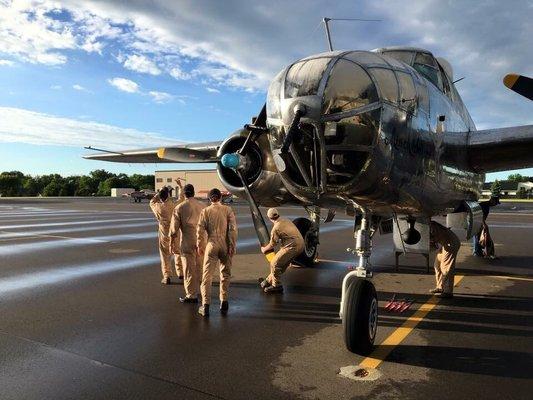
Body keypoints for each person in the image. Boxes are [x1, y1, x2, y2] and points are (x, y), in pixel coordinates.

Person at [196, 188, 238, 317]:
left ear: (209, 198)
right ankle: (224, 301)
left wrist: (199, 245)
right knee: (225, 273)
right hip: (225, 244)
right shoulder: (227, 210)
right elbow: (233, 229)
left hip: (211, 244)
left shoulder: (205, 211)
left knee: (207, 276)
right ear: (220, 198)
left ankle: (206, 305)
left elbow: (200, 230)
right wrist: (232, 245)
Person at [170, 184, 205, 303]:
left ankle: (191, 294)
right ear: (194, 193)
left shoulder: (179, 207)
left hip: (187, 240)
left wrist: (171, 243)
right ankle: (202, 290)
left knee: (189, 269)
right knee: (200, 266)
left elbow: (174, 230)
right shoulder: (202, 206)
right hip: (201, 239)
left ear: (184, 194)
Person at [259, 208, 304, 294]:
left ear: (269, 218)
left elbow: (273, 244)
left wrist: (264, 249)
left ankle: (277, 286)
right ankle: (268, 281)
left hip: (291, 247)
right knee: (281, 265)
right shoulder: (285, 219)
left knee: (274, 264)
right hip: (301, 245)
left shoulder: (276, 228)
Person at [149, 183, 184, 285]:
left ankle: (167, 275)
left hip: (164, 233)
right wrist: (181, 187)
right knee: (178, 252)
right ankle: (180, 271)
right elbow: (181, 198)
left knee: (165, 255)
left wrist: (158, 193)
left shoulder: (157, 206)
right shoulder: (174, 205)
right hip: (175, 232)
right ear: (168, 195)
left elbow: (151, 201)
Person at [429, 221, 461, 298]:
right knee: (437, 265)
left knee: (446, 268)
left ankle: (447, 292)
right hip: (445, 243)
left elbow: (433, 242)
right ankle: (440, 287)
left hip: (450, 244)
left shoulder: (430, 227)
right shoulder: (430, 226)